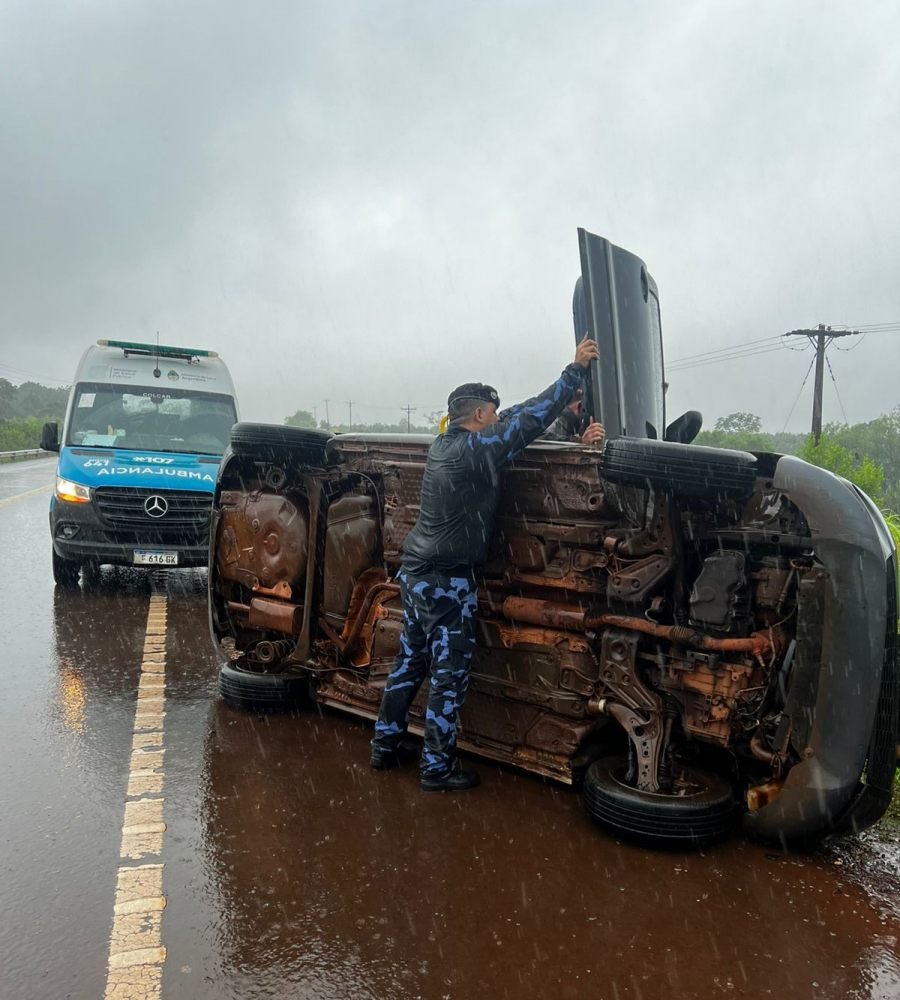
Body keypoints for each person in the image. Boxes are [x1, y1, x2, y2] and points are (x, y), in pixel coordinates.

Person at [370, 335, 601, 791]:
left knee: (409, 664)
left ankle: (385, 745)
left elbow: (514, 416)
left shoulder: (444, 445)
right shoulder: (477, 452)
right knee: (449, 675)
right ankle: (436, 769)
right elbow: (529, 421)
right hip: (447, 582)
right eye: (491, 414)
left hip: (417, 575)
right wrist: (572, 372)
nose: (497, 418)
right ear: (479, 416)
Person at [539, 388, 605, 445]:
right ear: (579, 406)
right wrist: (579, 441)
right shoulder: (556, 421)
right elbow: (540, 438)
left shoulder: (574, 426)